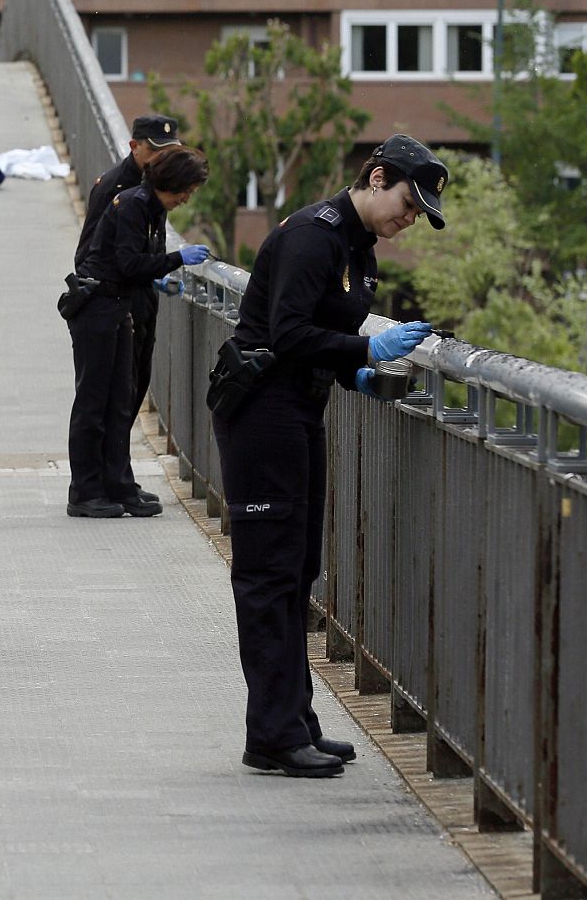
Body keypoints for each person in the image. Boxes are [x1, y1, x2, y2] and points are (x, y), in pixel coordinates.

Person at [211, 133, 448, 778]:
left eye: (419, 213)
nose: (409, 219)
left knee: (297, 570)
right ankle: (271, 735)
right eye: (407, 203)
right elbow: (288, 333)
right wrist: (367, 351)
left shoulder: (357, 248)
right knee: (268, 575)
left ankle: (295, 720)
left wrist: (355, 373)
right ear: (377, 178)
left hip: (299, 410)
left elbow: (324, 336)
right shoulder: (315, 237)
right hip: (263, 413)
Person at [67, 145, 212, 518]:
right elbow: (130, 262)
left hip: (119, 306)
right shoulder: (132, 204)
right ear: (172, 182)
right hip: (99, 307)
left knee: (121, 402)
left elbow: (137, 263)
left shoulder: (152, 207)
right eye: (186, 190)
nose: (186, 198)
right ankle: (85, 491)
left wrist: (159, 275)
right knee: (93, 403)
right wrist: (176, 260)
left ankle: (119, 483)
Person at [74, 113, 184, 425]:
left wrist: (156, 275)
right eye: (157, 150)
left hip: (143, 299)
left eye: (170, 151)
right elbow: (87, 255)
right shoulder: (114, 187)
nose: (163, 158)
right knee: (110, 398)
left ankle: (117, 456)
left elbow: (152, 242)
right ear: (134, 146)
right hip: (118, 303)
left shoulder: (161, 183)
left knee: (137, 386)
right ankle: (106, 458)